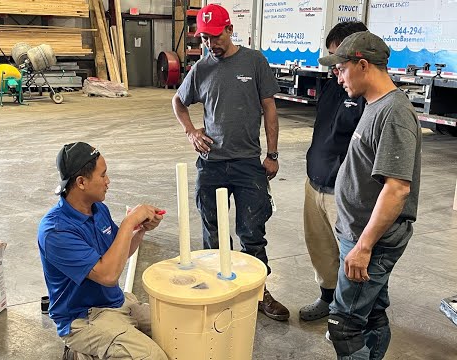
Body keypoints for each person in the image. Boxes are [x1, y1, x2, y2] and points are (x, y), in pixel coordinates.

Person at [171, 4, 289, 321]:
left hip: (248, 163)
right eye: (205, 39)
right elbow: (178, 101)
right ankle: (219, 291)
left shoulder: (254, 61)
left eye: (216, 36)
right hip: (211, 165)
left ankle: (260, 294)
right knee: (214, 237)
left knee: (252, 232)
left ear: (230, 30)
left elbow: (269, 109)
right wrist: (191, 132)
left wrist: (272, 154)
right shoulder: (201, 69)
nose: (211, 44)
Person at [318, 31, 421, 359]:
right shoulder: (376, 105)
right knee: (371, 314)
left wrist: (363, 247)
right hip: (360, 234)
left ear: (363, 65)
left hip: (371, 241)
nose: (337, 77)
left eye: (341, 68)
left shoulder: (394, 113)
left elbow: (397, 188)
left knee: (344, 324)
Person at [37, 142, 167, 360]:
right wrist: (128, 223)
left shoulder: (98, 209)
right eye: (103, 175)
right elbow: (107, 275)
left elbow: (118, 255)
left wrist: (140, 231)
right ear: (81, 182)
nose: (108, 182)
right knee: (152, 356)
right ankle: (79, 353)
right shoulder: (56, 231)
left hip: (115, 302)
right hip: (82, 318)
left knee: (177, 327)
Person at [300, 21, 368, 321]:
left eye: (337, 60)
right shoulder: (331, 86)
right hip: (315, 181)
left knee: (349, 255)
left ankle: (347, 313)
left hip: (343, 192)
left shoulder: (370, 98)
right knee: (320, 248)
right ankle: (327, 298)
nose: (333, 69)